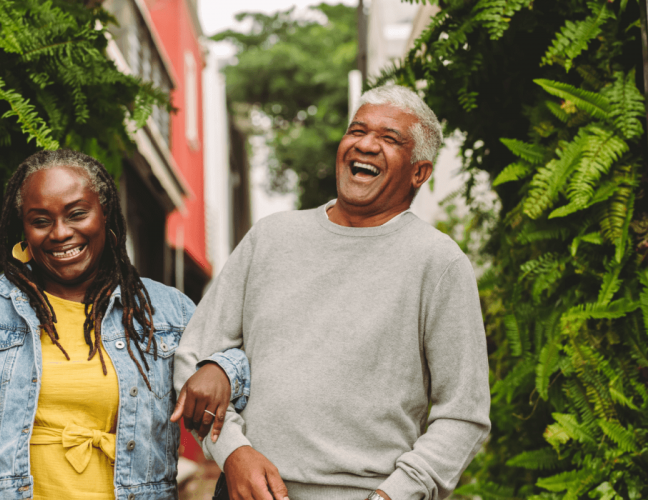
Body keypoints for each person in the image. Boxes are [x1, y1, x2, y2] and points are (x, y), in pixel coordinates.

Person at [174, 84, 492, 500]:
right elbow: (194, 356)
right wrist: (233, 453)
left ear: (420, 172)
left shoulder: (439, 263)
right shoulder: (270, 238)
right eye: (357, 130)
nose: (366, 144)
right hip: (246, 489)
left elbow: (464, 414)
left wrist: (395, 495)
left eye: (389, 138)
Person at [0, 150, 250, 500]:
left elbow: (244, 372)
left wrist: (220, 368)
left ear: (105, 216)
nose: (60, 233)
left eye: (77, 214)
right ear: (22, 229)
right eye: (41, 220)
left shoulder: (165, 312)